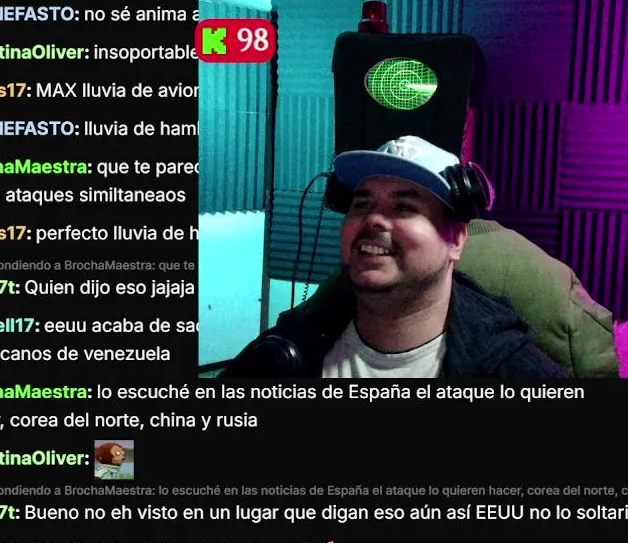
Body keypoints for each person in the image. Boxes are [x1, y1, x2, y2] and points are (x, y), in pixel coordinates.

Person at [223, 136, 565, 379]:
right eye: (363, 204)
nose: (373, 219)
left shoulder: (516, 371)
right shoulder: (283, 352)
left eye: (403, 207)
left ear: (456, 240)